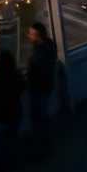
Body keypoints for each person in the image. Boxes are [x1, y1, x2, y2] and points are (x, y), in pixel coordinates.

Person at [25, 21, 56, 158]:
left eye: (31, 35)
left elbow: (34, 72)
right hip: (45, 87)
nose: (28, 36)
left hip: (39, 89)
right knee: (40, 116)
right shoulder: (49, 46)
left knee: (38, 116)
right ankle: (40, 142)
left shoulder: (39, 56)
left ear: (39, 37)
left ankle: (40, 148)